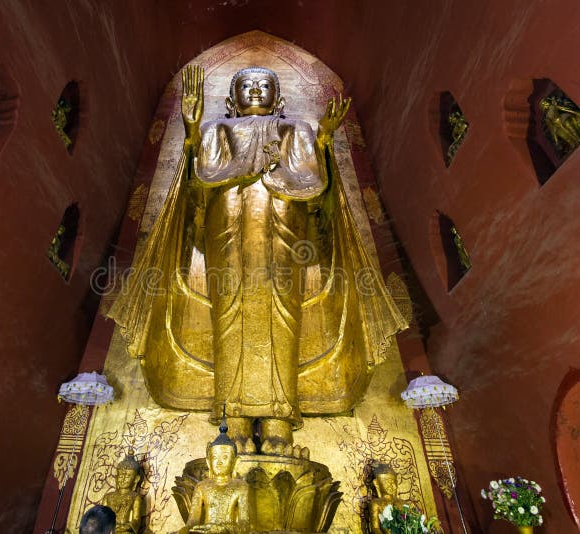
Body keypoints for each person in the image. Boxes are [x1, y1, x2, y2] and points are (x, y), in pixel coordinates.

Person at [109, 65, 407, 457]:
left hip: (283, 229)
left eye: (264, 85)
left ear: (279, 100)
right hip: (228, 230)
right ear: (231, 100)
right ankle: (232, 420)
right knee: (229, 314)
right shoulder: (218, 129)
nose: (254, 89)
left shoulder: (294, 130)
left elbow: (311, 184)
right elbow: (205, 178)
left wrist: (322, 140)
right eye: (245, 85)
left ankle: (279, 424)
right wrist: (192, 131)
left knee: (283, 317)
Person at [180, 418, 250, 534]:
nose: (219, 462)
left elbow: (245, 524)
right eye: (215, 457)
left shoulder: (241, 487)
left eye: (225, 457)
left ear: (235, 462)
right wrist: (185, 530)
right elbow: (192, 522)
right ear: (209, 462)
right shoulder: (202, 487)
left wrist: (224, 529)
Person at [101, 450, 143, 534]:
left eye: (127, 476)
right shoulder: (108, 497)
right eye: (121, 476)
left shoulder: (135, 497)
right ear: (116, 477)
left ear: (136, 479)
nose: (123, 479)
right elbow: (102, 518)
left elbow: (136, 520)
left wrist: (127, 526)